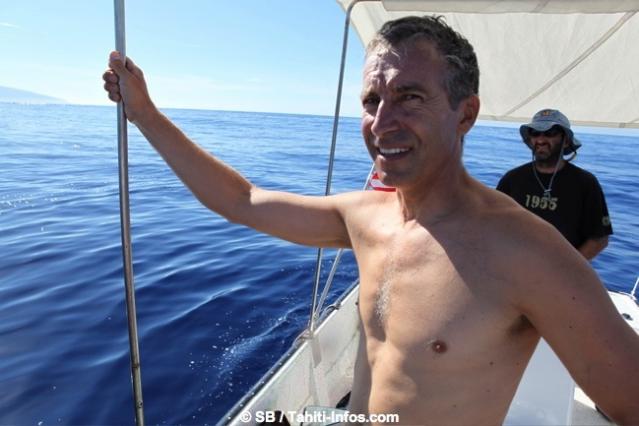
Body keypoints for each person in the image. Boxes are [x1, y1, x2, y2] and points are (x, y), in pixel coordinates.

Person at [103, 15, 639, 425]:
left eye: (410, 97)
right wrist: (145, 114)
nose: (382, 123)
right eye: (371, 99)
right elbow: (241, 201)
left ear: (466, 114)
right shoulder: (363, 216)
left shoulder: (528, 253)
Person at [497, 109, 613, 260]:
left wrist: (564, 268)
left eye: (550, 133)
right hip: (514, 267)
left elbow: (599, 239)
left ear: (566, 141)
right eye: (535, 133)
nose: (541, 140)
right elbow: (494, 223)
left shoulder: (586, 183)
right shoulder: (512, 179)